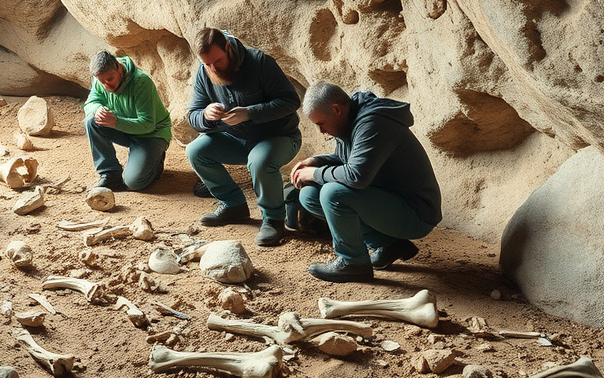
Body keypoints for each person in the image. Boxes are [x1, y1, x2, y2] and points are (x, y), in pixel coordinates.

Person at [291, 81, 442, 282]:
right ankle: (389, 245)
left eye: (321, 124)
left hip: (416, 214)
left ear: (336, 110)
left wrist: (315, 173)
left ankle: (352, 263)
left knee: (332, 193)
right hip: (389, 202)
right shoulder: (349, 120)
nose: (321, 131)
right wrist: (316, 161)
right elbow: (346, 160)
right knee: (309, 195)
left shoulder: (373, 123)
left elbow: (356, 176)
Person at [186, 28, 302, 246]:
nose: (213, 68)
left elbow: (291, 101)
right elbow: (192, 115)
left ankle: (274, 219)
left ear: (228, 48)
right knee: (195, 151)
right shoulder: (204, 71)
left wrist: (249, 113)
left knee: (258, 161)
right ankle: (233, 205)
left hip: (279, 136)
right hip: (237, 140)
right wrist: (206, 115)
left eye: (217, 61)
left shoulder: (260, 62)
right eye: (207, 64)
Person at [83, 50, 171, 192]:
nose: (106, 85)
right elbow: (90, 103)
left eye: (110, 79)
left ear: (119, 68)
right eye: (101, 81)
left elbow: (148, 124)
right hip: (124, 128)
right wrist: (97, 109)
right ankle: (110, 173)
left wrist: (116, 123)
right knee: (91, 121)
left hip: (152, 134)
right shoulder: (102, 78)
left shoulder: (141, 82)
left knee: (135, 183)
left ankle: (155, 161)